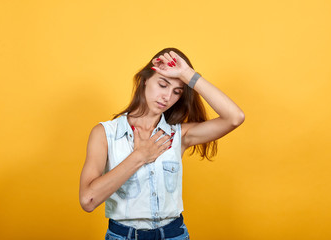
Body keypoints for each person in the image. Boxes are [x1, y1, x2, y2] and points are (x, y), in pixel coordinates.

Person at [79, 47, 245, 240]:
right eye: (163, 84)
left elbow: (235, 117)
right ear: (145, 80)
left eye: (177, 92)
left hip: (174, 234)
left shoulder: (178, 135)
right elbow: (88, 200)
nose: (167, 97)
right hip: (123, 236)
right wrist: (139, 156)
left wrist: (187, 74)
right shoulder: (105, 133)